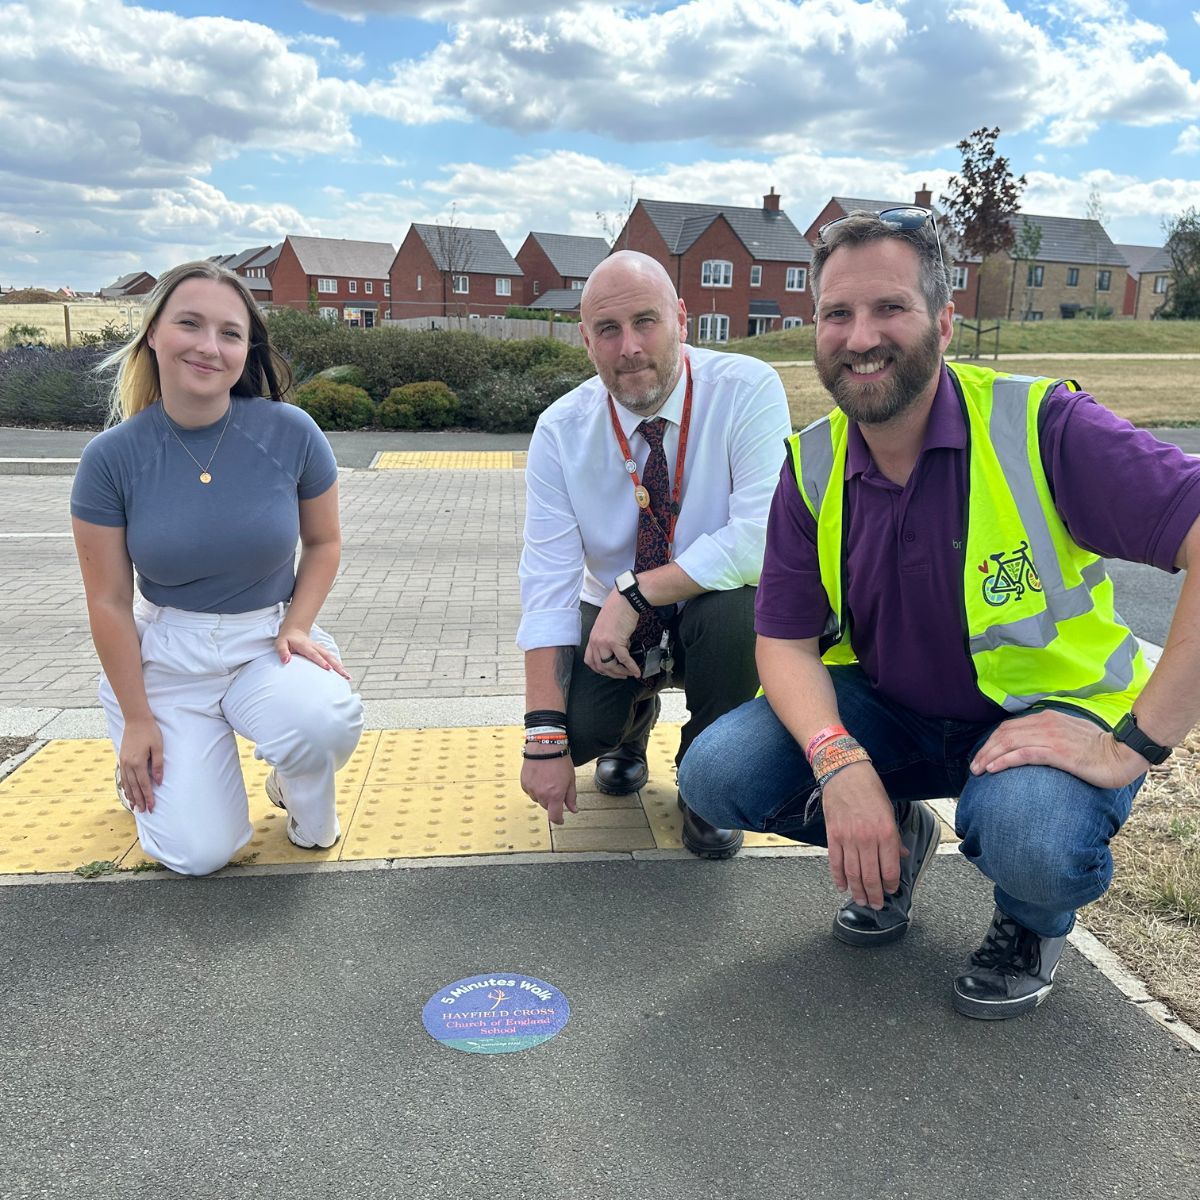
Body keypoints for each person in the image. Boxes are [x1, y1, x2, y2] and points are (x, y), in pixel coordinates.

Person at [678, 208, 1200, 1018]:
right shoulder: (811, 465)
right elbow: (781, 641)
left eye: (890, 308)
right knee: (716, 774)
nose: (859, 338)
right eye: (837, 314)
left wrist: (1134, 743)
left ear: (946, 322)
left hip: (1041, 716)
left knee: (1031, 836)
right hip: (890, 713)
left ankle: (1031, 922)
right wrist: (838, 763)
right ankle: (896, 837)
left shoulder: (1041, 426)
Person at [70, 261, 364, 876]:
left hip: (265, 641)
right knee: (199, 854)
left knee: (323, 724)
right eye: (190, 323)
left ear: (246, 349)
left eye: (230, 333)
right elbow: (107, 602)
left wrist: (299, 624)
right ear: (153, 333)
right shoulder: (111, 458)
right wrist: (138, 718)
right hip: (170, 658)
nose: (209, 346)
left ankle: (294, 782)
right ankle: (146, 727)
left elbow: (324, 542)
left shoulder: (291, 432)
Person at [517, 250, 792, 857]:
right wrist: (543, 736)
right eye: (608, 331)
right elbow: (547, 582)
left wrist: (635, 591)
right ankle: (627, 727)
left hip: (706, 605)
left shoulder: (746, 390)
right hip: (608, 625)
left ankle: (705, 778)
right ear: (585, 339)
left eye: (646, 322)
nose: (630, 349)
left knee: (739, 613)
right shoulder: (561, 430)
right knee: (576, 730)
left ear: (682, 319)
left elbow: (760, 539)